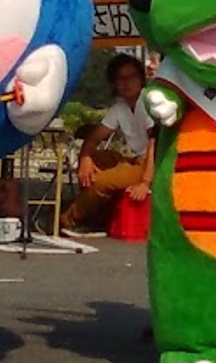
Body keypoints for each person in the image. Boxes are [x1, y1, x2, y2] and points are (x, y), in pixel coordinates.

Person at [60, 53, 155, 237]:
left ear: (141, 79)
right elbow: (93, 139)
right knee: (95, 161)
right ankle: (97, 216)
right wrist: (85, 159)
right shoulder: (120, 108)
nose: (127, 83)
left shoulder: (147, 102)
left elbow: (155, 143)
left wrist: (145, 182)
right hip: (135, 159)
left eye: (132, 76)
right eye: (121, 78)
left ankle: (69, 219)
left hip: (152, 163)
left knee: (101, 182)